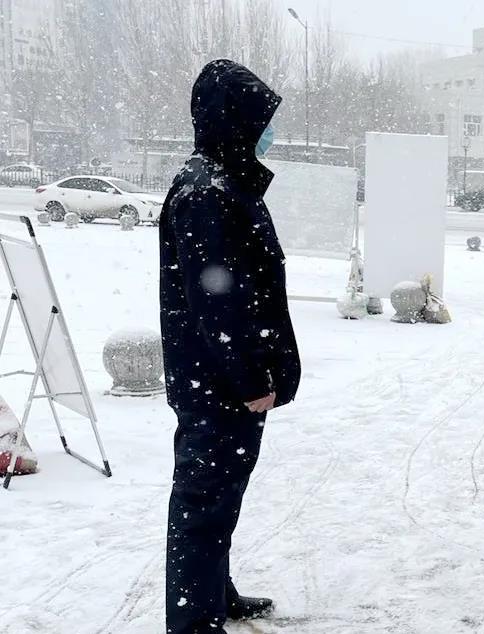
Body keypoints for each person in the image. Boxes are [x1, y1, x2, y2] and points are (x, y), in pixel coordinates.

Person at [159, 59, 301, 634]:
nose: (268, 131)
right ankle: (194, 622)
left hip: (219, 377)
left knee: (218, 497)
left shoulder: (224, 180)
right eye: (260, 119)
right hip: (217, 382)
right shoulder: (207, 192)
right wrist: (249, 381)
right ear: (233, 120)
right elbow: (216, 301)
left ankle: (213, 592)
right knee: (203, 503)